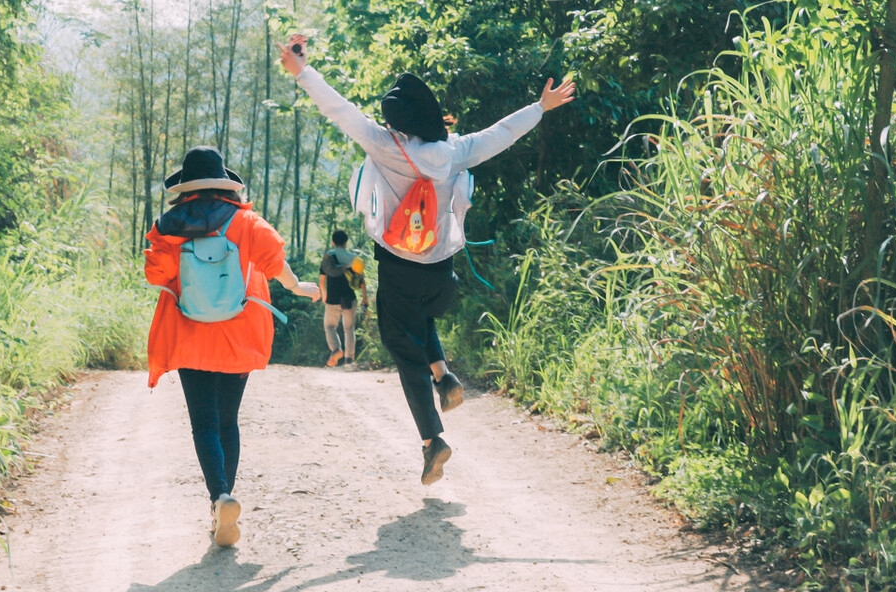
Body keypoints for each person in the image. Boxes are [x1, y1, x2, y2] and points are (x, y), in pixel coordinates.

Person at [279, 35, 576, 485]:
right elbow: (500, 135)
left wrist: (302, 71)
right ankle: (444, 377)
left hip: (398, 269)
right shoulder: (456, 150)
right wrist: (540, 107)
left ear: (398, 120)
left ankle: (431, 438)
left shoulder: (384, 145)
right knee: (421, 319)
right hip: (441, 275)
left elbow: (340, 111)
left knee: (404, 351)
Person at [144, 146, 320, 546]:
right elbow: (275, 262)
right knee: (228, 421)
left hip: (189, 335)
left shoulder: (168, 225)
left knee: (203, 422)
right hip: (238, 335)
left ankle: (219, 496)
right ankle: (225, 503)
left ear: (185, 188)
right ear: (225, 184)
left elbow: (157, 275)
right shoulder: (246, 221)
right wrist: (299, 287)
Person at [319, 229, 368, 367]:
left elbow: (322, 281)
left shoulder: (328, 257)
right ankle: (349, 359)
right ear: (346, 242)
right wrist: (365, 298)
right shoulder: (354, 259)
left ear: (333, 242)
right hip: (349, 298)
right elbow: (361, 281)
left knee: (329, 326)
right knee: (349, 329)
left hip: (332, 299)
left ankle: (335, 349)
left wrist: (324, 296)